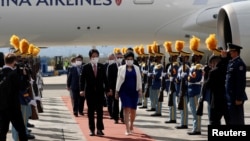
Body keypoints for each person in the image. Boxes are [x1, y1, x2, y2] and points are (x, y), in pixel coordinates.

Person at [80, 49, 110, 136]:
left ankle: (100, 129)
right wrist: (82, 90)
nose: (95, 58)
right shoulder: (86, 67)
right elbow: (82, 80)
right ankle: (92, 129)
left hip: (100, 93)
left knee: (100, 112)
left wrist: (108, 90)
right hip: (90, 93)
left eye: (96, 56)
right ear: (90, 57)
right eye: (93, 56)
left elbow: (105, 79)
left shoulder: (101, 66)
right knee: (91, 112)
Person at [0, 53, 28, 141]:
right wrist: (24, 75)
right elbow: (22, 87)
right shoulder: (13, 74)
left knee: (2, 131)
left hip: (1, 107)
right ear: (14, 62)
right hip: (13, 107)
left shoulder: (0, 73)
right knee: (21, 130)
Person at [115, 51, 142, 135]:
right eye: (128, 59)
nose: (129, 60)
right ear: (125, 60)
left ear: (133, 59)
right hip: (124, 91)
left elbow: (139, 80)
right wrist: (117, 91)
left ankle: (131, 124)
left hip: (134, 91)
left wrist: (140, 90)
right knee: (126, 109)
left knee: (133, 111)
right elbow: (118, 81)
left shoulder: (137, 68)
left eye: (131, 59)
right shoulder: (121, 68)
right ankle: (127, 129)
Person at [225, 43, 248, 125]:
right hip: (230, 97)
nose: (230, 53)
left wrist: (239, 98)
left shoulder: (239, 64)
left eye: (231, 52)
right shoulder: (232, 63)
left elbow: (241, 82)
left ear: (236, 52)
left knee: (237, 119)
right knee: (232, 119)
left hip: (236, 97)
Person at [107, 51, 123, 124]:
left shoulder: (125, 66)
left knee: (124, 103)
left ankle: (122, 116)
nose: (119, 59)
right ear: (115, 58)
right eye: (118, 57)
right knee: (115, 103)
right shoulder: (111, 66)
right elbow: (109, 79)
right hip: (114, 87)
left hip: (123, 87)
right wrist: (110, 89)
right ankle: (115, 118)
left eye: (121, 57)